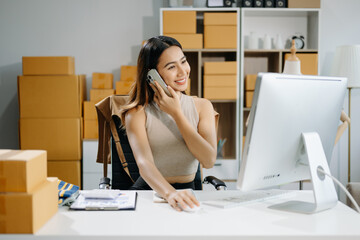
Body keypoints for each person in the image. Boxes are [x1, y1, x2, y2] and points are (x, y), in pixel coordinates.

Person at [120, 36, 217, 211]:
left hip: (187, 192)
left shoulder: (203, 107)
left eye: (183, 62)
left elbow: (208, 160)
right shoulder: (136, 113)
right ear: (152, 75)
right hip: (150, 193)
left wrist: (177, 114)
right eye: (171, 67)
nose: (183, 71)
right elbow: (144, 164)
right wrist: (170, 193)